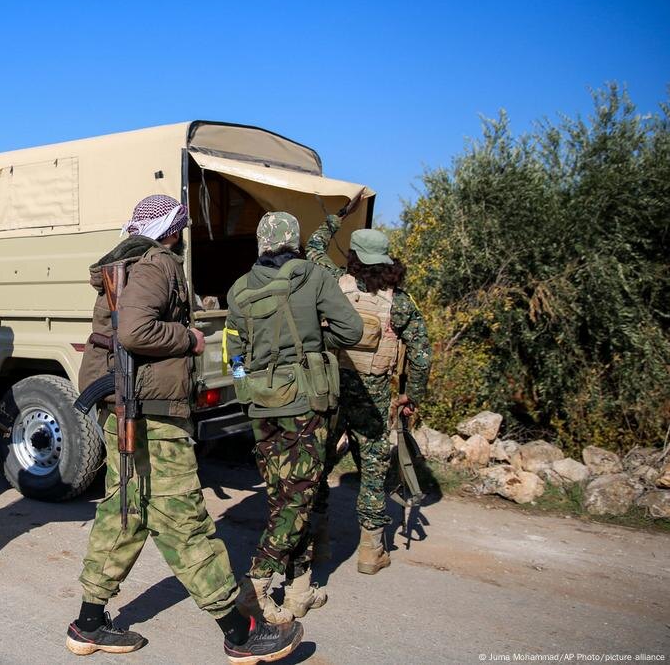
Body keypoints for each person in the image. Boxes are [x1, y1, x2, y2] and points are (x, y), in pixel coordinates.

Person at [68, 195, 302, 664]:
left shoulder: (128, 261)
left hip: (129, 408)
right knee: (185, 520)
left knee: (125, 512)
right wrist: (190, 339)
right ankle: (239, 631)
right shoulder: (157, 263)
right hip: (149, 412)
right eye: (182, 226)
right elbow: (135, 332)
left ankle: (89, 623)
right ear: (173, 229)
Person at [223, 211, 363, 623]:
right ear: (294, 240)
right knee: (300, 494)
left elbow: (232, 351)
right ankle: (257, 583)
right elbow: (352, 331)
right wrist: (318, 340)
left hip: (262, 404)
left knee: (281, 494)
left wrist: (243, 381)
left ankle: (299, 589)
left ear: (262, 243)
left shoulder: (238, 289)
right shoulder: (315, 277)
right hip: (305, 402)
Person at [305, 190, 432, 574]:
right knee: (373, 472)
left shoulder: (333, 283)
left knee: (319, 465)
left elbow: (312, 246)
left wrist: (342, 213)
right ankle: (369, 552)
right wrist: (412, 394)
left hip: (332, 391)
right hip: (374, 397)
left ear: (353, 257)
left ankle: (318, 544)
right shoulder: (400, 302)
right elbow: (422, 354)